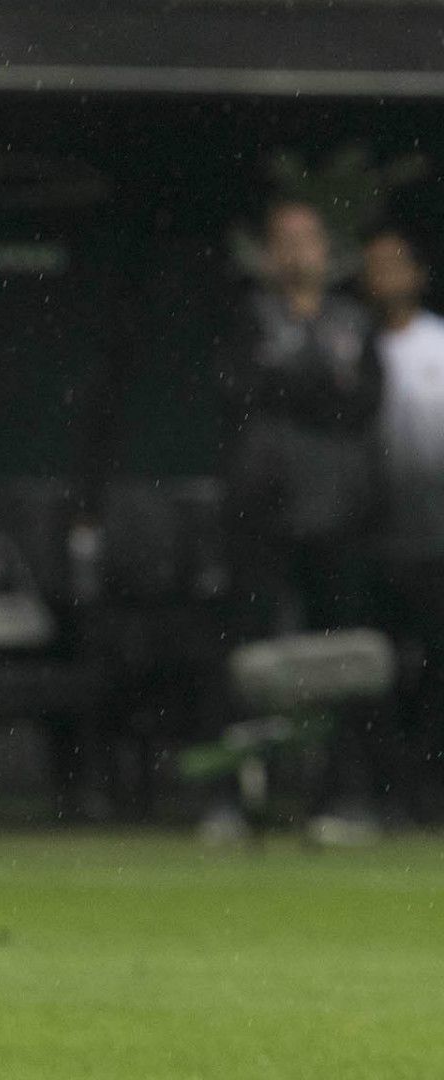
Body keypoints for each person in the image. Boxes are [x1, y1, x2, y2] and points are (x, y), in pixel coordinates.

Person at [206, 199, 385, 844]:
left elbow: (364, 403)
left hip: (338, 514)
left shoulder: (353, 322)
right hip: (261, 511)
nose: (295, 253)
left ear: (326, 251)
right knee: (247, 653)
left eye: (307, 240)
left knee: (345, 655)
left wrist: (299, 381)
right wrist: (312, 384)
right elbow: (242, 391)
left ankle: (343, 800)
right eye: (283, 241)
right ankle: (233, 799)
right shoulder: (241, 318)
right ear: (265, 252)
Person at [360, 227, 444, 821]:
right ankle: (383, 793)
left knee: (436, 671)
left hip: (437, 542)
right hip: (368, 540)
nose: (384, 276)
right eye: (374, 266)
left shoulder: (439, 343)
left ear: (418, 274)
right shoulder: (351, 344)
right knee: (374, 672)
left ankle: (432, 792)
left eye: (395, 264)